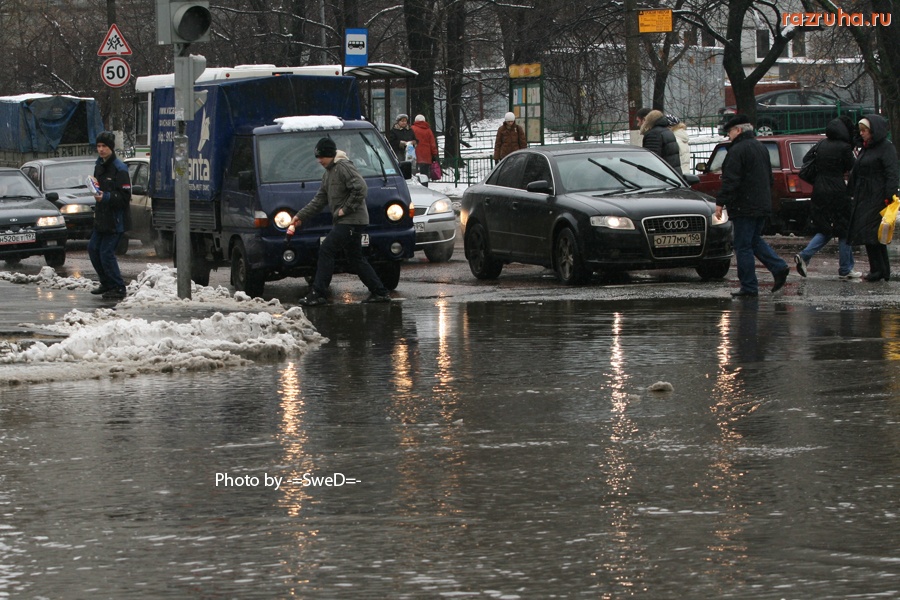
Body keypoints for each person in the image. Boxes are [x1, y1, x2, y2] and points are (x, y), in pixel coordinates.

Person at [289, 137, 391, 306]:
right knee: (355, 257)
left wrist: (345, 209)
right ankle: (379, 292)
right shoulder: (328, 173)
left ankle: (318, 293)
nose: (319, 160)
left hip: (351, 220)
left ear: (330, 154)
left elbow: (361, 188)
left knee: (327, 249)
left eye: (321, 156)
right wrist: (300, 216)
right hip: (347, 221)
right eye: (317, 157)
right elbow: (319, 200)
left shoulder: (343, 167)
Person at [714, 115, 790, 297]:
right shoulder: (760, 147)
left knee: (742, 246)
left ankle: (749, 286)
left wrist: (720, 202)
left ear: (738, 130)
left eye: (730, 132)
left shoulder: (737, 150)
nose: (729, 135)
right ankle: (778, 267)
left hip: (744, 205)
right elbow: (769, 178)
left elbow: (731, 180)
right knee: (753, 240)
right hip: (761, 203)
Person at [793, 118, 858, 279]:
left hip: (819, 190)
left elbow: (806, 159)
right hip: (837, 190)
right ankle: (846, 268)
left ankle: (805, 255)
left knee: (825, 228)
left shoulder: (821, 144)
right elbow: (853, 166)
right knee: (844, 229)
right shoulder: (844, 147)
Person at [847, 114, 899, 282]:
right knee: (871, 234)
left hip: (877, 196)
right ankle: (881, 270)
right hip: (865, 195)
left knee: (873, 234)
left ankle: (878, 270)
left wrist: (890, 196)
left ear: (873, 131)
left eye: (865, 130)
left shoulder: (885, 148)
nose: (861, 133)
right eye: (860, 130)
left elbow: (892, 173)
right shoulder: (867, 148)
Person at [88, 131, 131, 300]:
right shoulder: (99, 165)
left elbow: (125, 197)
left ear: (111, 148)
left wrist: (105, 197)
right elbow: (99, 187)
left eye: (104, 146)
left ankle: (118, 287)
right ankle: (106, 282)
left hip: (115, 220)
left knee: (106, 253)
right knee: (93, 249)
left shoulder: (120, 168)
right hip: (101, 218)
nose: (101, 149)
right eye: (98, 146)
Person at [636, 108, 682, 173]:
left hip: (661, 176)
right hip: (672, 175)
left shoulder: (654, 134)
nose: (638, 124)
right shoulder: (667, 131)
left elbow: (651, 161)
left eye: (638, 121)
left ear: (644, 120)